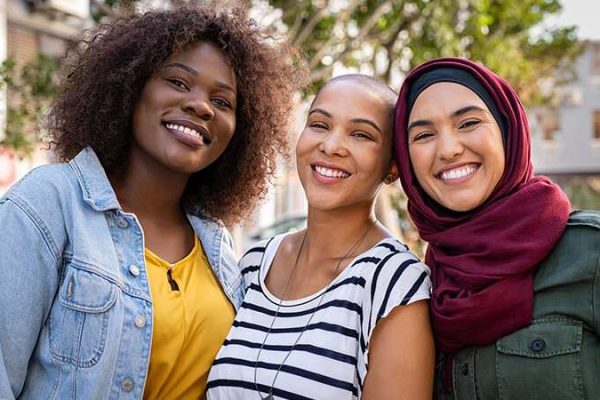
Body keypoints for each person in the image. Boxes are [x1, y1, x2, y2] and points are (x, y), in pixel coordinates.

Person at [0, 6, 304, 399]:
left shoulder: (217, 245)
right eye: (178, 82)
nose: (201, 106)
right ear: (130, 86)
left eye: (223, 101)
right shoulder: (49, 204)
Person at [206, 74, 434, 400]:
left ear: (393, 168)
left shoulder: (394, 281)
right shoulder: (256, 262)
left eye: (360, 134)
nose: (331, 146)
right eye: (319, 124)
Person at [394, 57, 600, 399]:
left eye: (469, 122)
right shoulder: (415, 287)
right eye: (425, 134)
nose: (448, 149)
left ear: (508, 130)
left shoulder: (588, 252)